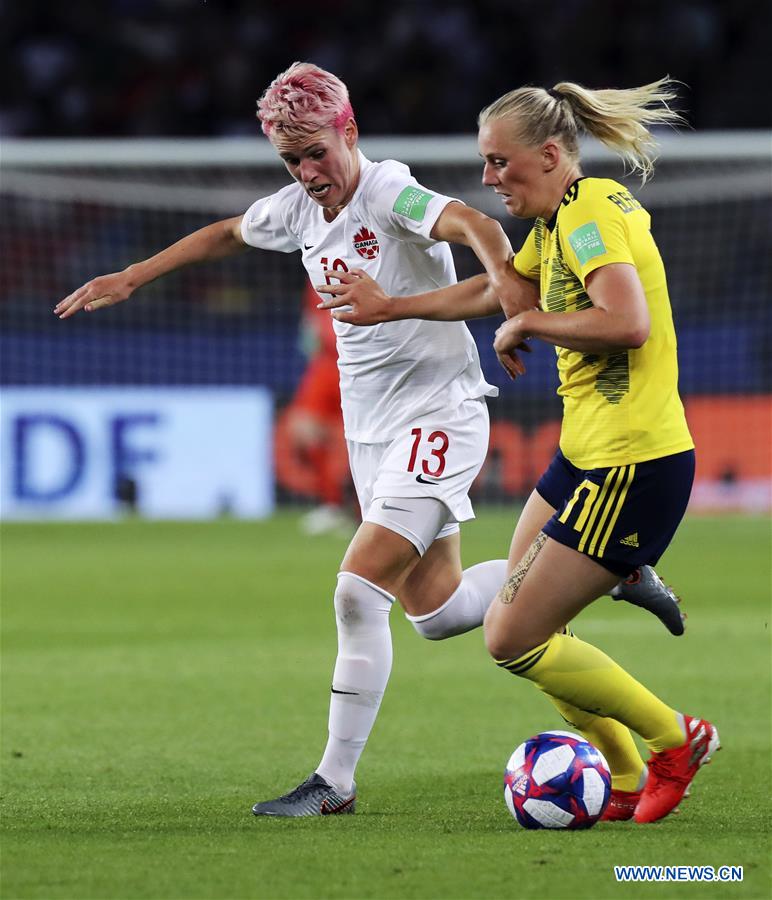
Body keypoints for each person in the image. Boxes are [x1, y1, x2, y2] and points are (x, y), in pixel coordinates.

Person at [56, 64, 683, 820]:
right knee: (439, 612)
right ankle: (608, 574)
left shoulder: (389, 189)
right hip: (375, 431)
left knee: (358, 590)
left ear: (348, 133)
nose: (309, 172)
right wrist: (133, 274)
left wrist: (513, 293)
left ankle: (334, 782)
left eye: (318, 153)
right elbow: (226, 232)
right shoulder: (296, 211)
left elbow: (472, 222)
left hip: (439, 416)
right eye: (293, 161)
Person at [317, 77, 718, 824]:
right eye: (484, 162)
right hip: (585, 458)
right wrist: (391, 307)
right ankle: (625, 769)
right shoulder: (568, 213)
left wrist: (528, 328)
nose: (488, 178)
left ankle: (675, 738)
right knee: (524, 620)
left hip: (630, 463)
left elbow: (624, 322)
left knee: (509, 637)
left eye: (500, 163)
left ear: (551, 155)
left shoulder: (590, 213)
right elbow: (495, 291)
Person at [277, 280, 354, 536]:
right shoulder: (314, 272)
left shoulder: (368, 259)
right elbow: (311, 318)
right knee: (304, 428)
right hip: (325, 363)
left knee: (358, 440)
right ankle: (333, 505)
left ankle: (363, 508)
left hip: (359, 364)